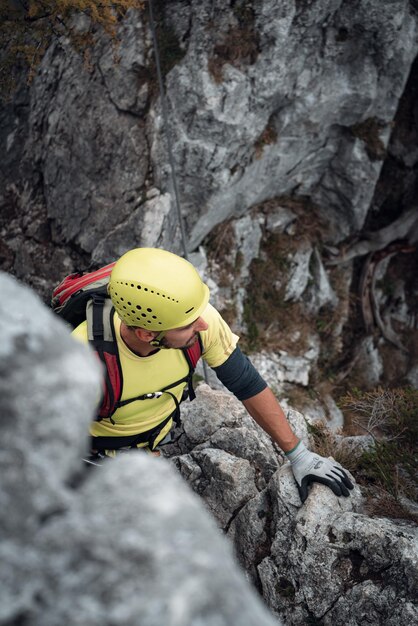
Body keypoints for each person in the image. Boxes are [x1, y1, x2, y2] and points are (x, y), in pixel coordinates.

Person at [72, 247, 353, 503]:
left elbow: (245, 382)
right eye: (188, 324)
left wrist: (299, 455)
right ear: (147, 334)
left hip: (155, 439)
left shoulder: (197, 321)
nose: (203, 323)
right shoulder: (83, 361)